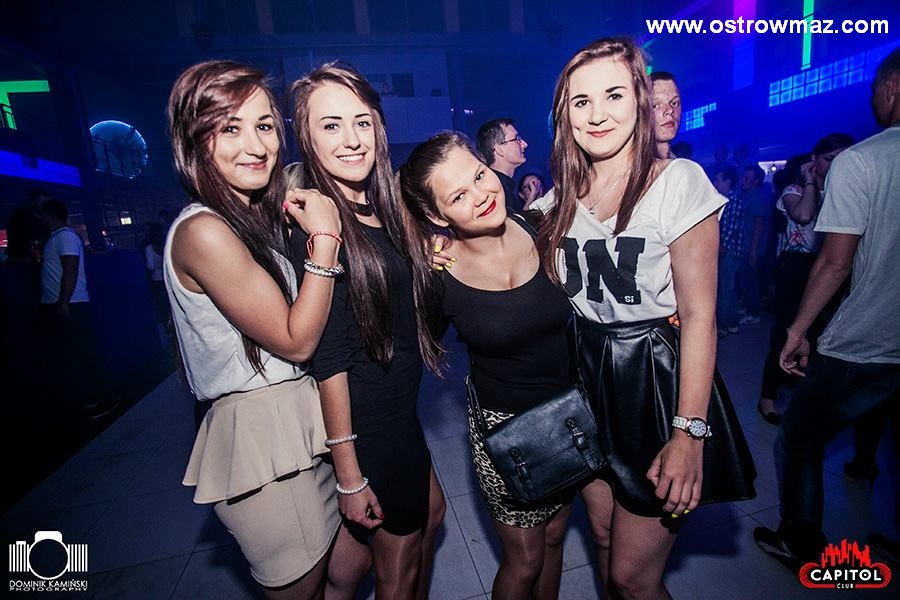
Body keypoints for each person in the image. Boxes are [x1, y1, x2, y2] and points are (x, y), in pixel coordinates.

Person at [532, 37, 756, 599]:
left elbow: (699, 316)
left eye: (612, 95)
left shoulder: (677, 181)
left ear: (638, 99)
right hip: (584, 379)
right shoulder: (559, 199)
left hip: (651, 380)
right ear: (564, 115)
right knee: (604, 536)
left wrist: (689, 433)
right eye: (581, 101)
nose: (597, 114)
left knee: (633, 577)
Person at [165, 60, 362, 599]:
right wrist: (325, 240)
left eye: (265, 125)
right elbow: (296, 340)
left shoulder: (249, 218)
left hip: (299, 419)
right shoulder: (204, 231)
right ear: (193, 139)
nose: (256, 145)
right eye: (230, 128)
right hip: (260, 436)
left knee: (347, 568)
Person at [400, 131, 582, 600]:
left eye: (479, 176)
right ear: (437, 216)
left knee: (556, 539)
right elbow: (413, 346)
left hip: (568, 414)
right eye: (458, 196)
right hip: (505, 431)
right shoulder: (440, 276)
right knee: (524, 560)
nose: (481, 195)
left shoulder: (540, 228)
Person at [288, 62, 445, 600]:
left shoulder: (380, 207)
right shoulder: (320, 225)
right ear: (306, 137)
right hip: (370, 420)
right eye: (331, 125)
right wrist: (349, 474)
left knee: (426, 517)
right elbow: (328, 358)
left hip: (399, 407)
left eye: (362, 122)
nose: (352, 139)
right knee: (399, 563)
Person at [754, 47, 900, 572]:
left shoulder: (866, 160)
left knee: (800, 438)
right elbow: (801, 222)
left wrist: (798, 331)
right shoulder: (807, 182)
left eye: (874, 89)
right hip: (813, 285)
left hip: (870, 335)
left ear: (891, 88)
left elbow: (835, 261)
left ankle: (800, 541)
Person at [755, 133, 854, 425]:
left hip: (831, 267)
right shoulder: (794, 189)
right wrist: (811, 181)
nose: (836, 165)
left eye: (842, 159)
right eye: (829, 159)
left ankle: (802, 390)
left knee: (819, 336)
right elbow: (803, 215)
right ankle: (767, 397)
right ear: (814, 160)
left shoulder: (845, 191)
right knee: (787, 333)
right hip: (796, 266)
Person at [39, 198, 118, 419]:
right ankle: (99, 396)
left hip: (72, 304)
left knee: (87, 353)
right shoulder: (60, 237)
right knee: (80, 354)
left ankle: (108, 397)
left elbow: (71, 269)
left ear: (48, 216)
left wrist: (63, 301)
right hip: (68, 303)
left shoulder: (65, 237)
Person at [713, 167, 744, 338]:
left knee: (723, 291)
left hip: (728, 252)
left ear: (728, 182)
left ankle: (722, 327)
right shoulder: (723, 200)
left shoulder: (733, 201)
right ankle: (733, 323)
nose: (715, 183)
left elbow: (729, 228)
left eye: (718, 180)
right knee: (729, 290)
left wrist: (720, 246)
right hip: (726, 251)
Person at [737, 165, 769, 325]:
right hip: (745, 245)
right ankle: (750, 306)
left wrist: (754, 251)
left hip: (751, 247)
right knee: (745, 278)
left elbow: (759, 225)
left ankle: (754, 313)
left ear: (755, 181)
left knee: (749, 280)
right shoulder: (746, 196)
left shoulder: (756, 198)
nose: (743, 181)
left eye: (746, 178)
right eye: (743, 177)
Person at [476, 118, 528, 213]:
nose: (524, 144)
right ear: (499, 149)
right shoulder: (497, 193)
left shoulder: (503, 188)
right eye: (517, 139)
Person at [649, 71, 681, 159]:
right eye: (655, 105)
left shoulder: (679, 165)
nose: (670, 110)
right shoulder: (628, 165)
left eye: (674, 103)